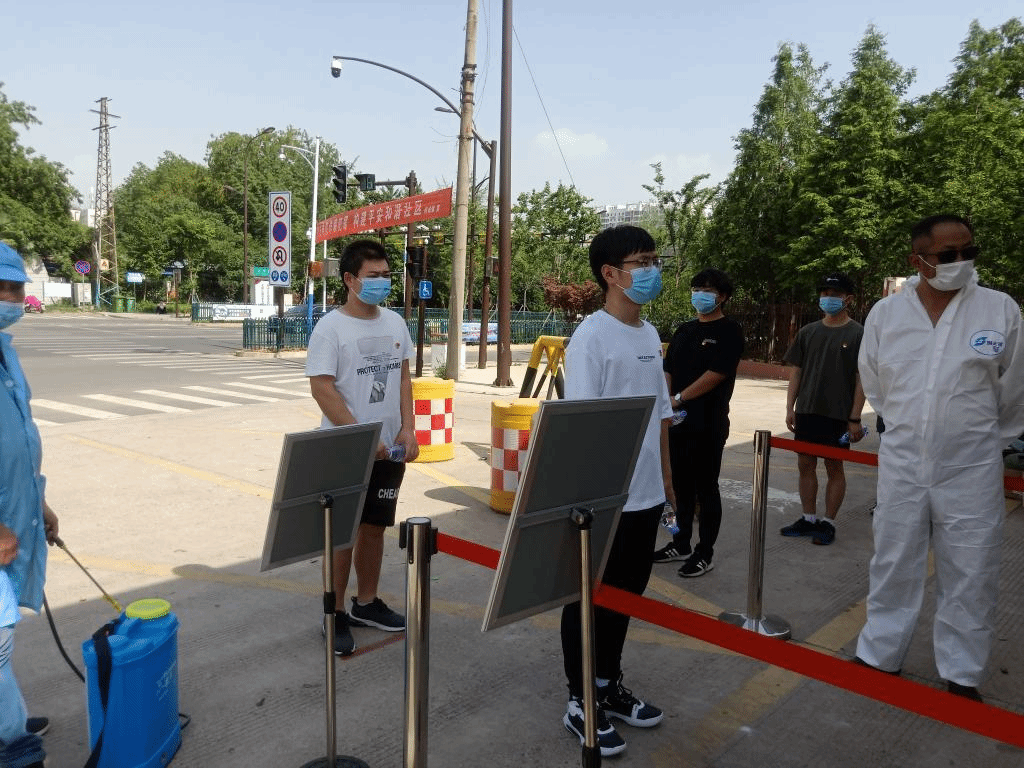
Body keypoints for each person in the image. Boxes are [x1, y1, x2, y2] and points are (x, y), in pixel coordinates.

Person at [855, 214, 1024, 701]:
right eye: (948, 255)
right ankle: (880, 654)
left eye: (969, 251)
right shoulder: (887, 314)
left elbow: (1014, 390)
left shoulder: (999, 309)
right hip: (904, 461)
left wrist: (979, 439)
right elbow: (876, 382)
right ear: (918, 261)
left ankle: (962, 672)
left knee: (972, 568)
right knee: (893, 560)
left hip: (972, 466)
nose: (961, 262)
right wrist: (909, 428)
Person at [560, 225, 672, 756]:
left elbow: (661, 417)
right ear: (610, 273)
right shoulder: (592, 338)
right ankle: (580, 699)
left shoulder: (649, 334)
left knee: (626, 597)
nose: (652, 270)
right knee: (588, 599)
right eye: (641, 262)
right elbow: (582, 429)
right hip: (605, 500)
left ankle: (608, 684)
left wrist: (668, 487)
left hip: (646, 496)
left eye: (653, 260)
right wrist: (587, 501)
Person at [305, 239, 418, 656]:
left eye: (386, 275)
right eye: (373, 276)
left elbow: (403, 379)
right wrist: (361, 438)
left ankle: (366, 603)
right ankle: (334, 613)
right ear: (350, 280)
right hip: (347, 449)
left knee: (375, 526)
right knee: (343, 534)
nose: (382, 282)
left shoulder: (395, 323)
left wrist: (409, 429)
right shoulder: (330, 328)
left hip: (390, 450)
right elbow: (322, 388)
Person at [0, 243, 59, 768]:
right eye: (1, 288)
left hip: (15, 511)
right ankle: (14, 747)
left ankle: (10, 723)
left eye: (16, 287)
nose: (11, 298)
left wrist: (39, 503)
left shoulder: (5, 353)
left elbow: (17, 438)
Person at [653, 268, 744, 577]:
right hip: (676, 423)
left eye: (707, 290)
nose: (700, 295)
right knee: (679, 486)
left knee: (706, 489)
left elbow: (717, 373)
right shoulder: (685, 330)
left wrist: (679, 398)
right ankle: (680, 543)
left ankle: (705, 552)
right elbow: (667, 367)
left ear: (723, 297)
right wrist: (667, 400)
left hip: (708, 424)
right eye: (696, 289)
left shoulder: (729, 331)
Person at [780, 272, 866, 546]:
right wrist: (790, 407)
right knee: (805, 464)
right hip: (807, 411)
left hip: (838, 415)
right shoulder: (808, 332)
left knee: (834, 466)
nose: (828, 299)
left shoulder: (858, 334)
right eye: (824, 294)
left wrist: (854, 418)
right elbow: (797, 372)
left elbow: (861, 379)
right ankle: (808, 518)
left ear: (848, 299)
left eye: (834, 294)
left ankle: (828, 522)